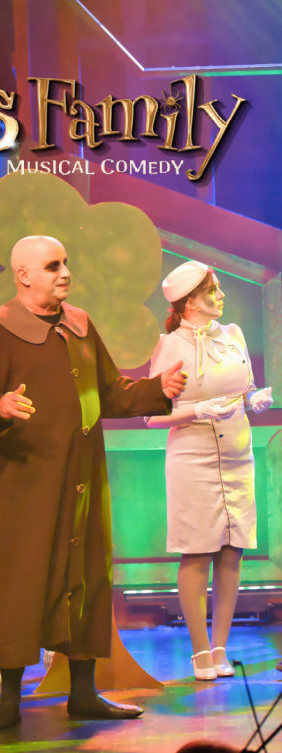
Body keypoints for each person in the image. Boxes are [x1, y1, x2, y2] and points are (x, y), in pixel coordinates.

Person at [0, 235, 187, 730]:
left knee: (83, 576)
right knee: (21, 582)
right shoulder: (0, 329)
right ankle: (10, 697)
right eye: (52, 265)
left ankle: (84, 691)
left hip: (79, 476)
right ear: (23, 276)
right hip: (23, 482)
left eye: (65, 263)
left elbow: (110, 392)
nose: (64, 272)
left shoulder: (79, 323)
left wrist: (156, 389)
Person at [146, 260, 273, 680]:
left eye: (218, 288)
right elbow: (152, 414)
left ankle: (221, 647)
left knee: (232, 550)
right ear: (190, 303)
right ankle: (200, 651)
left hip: (237, 454)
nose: (221, 296)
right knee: (198, 550)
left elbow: (244, 388)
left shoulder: (233, 334)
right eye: (212, 291)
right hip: (192, 457)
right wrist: (197, 410)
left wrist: (254, 399)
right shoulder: (170, 346)